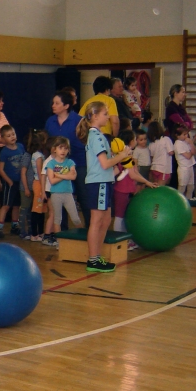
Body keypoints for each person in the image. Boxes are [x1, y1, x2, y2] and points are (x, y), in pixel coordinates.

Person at [77, 101, 129, 272]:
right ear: (94, 116)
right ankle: (92, 259)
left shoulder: (98, 135)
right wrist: (121, 156)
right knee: (97, 220)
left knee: (106, 219)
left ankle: (97, 255)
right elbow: (105, 163)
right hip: (98, 182)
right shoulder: (96, 136)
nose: (108, 117)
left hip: (104, 181)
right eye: (105, 114)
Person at [45, 90, 89, 227]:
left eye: (57, 103)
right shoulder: (50, 121)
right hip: (59, 163)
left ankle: (90, 228)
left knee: (83, 196)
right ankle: (62, 232)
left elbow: (85, 141)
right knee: (60, 196)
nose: (53, 105)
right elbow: (48, 143)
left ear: (66, 105)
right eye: (53, 103)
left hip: (79, 162)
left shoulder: (78, 120)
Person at [111, 130, 156, 249]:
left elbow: (134, 172)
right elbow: (133, 174)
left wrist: (147, 181)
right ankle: (119, 242)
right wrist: (147, 182)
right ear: (132, 141)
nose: (136, 141)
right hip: (121, 190)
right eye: (135, 139)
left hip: (126, 189)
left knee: (123, 216)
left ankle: (125, 240)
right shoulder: (125, 155)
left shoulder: (126, 153)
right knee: (119, 216)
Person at [45, 137, 82, 233]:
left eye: (66, 148)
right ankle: (59, 241)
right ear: (55, 149)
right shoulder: (51, 163)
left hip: (68, 194)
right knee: (57, 219)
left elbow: (73, 176)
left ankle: (83, 237)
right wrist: (65, 175)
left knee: (75, 218)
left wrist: (58, 175)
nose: (63, 151)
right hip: (56, 194)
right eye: (60, 148)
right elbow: (52, 181)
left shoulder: (70, 162)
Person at [0, 125, 25, 237]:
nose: (12, 137)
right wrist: (9, 181)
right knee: (6, 205)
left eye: (13, 134)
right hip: (10, 183)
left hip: (19, 182)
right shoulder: (5, 152)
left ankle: (14, 225)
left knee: (16, 205)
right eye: (8, 136)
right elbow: (1, 169)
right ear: (3, 139)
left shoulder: (20, 147)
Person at [22, 130, 47, 242]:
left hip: (40, 183)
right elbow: (40, 171)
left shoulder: (38, 154)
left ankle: (40, 232)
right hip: (39, 184)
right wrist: (43, 187)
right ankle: (34, 234)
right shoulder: (38, 156)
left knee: (41, 210)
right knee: (36, 210)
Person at [79, 76, 119, 140]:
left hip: (90, 136)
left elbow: (79, 120)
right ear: (107, 89)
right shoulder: (109, 100)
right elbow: (115, 122)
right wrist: (114, 138)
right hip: (105, 136)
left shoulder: (88, 101)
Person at [172, 126, 196, 200]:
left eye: (187, 134)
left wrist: (191, 143)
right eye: (184, 134)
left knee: (191, 186)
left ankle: (189, 199)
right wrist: (191, 152)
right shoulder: (178, 144)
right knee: (182, 186)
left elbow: (194, 151)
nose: (186, 136)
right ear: (177, 135)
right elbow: (188, 156)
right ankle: (179, 200)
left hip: (190, 166)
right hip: (183, 168)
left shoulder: (186, 142)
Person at [148, 121, 174, 187]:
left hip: (154, 167)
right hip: (163, 168)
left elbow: (151, 156)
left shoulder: (151, 144)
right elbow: (171, 152)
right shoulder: (166, 139)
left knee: (155, 186)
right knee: (161, 188)